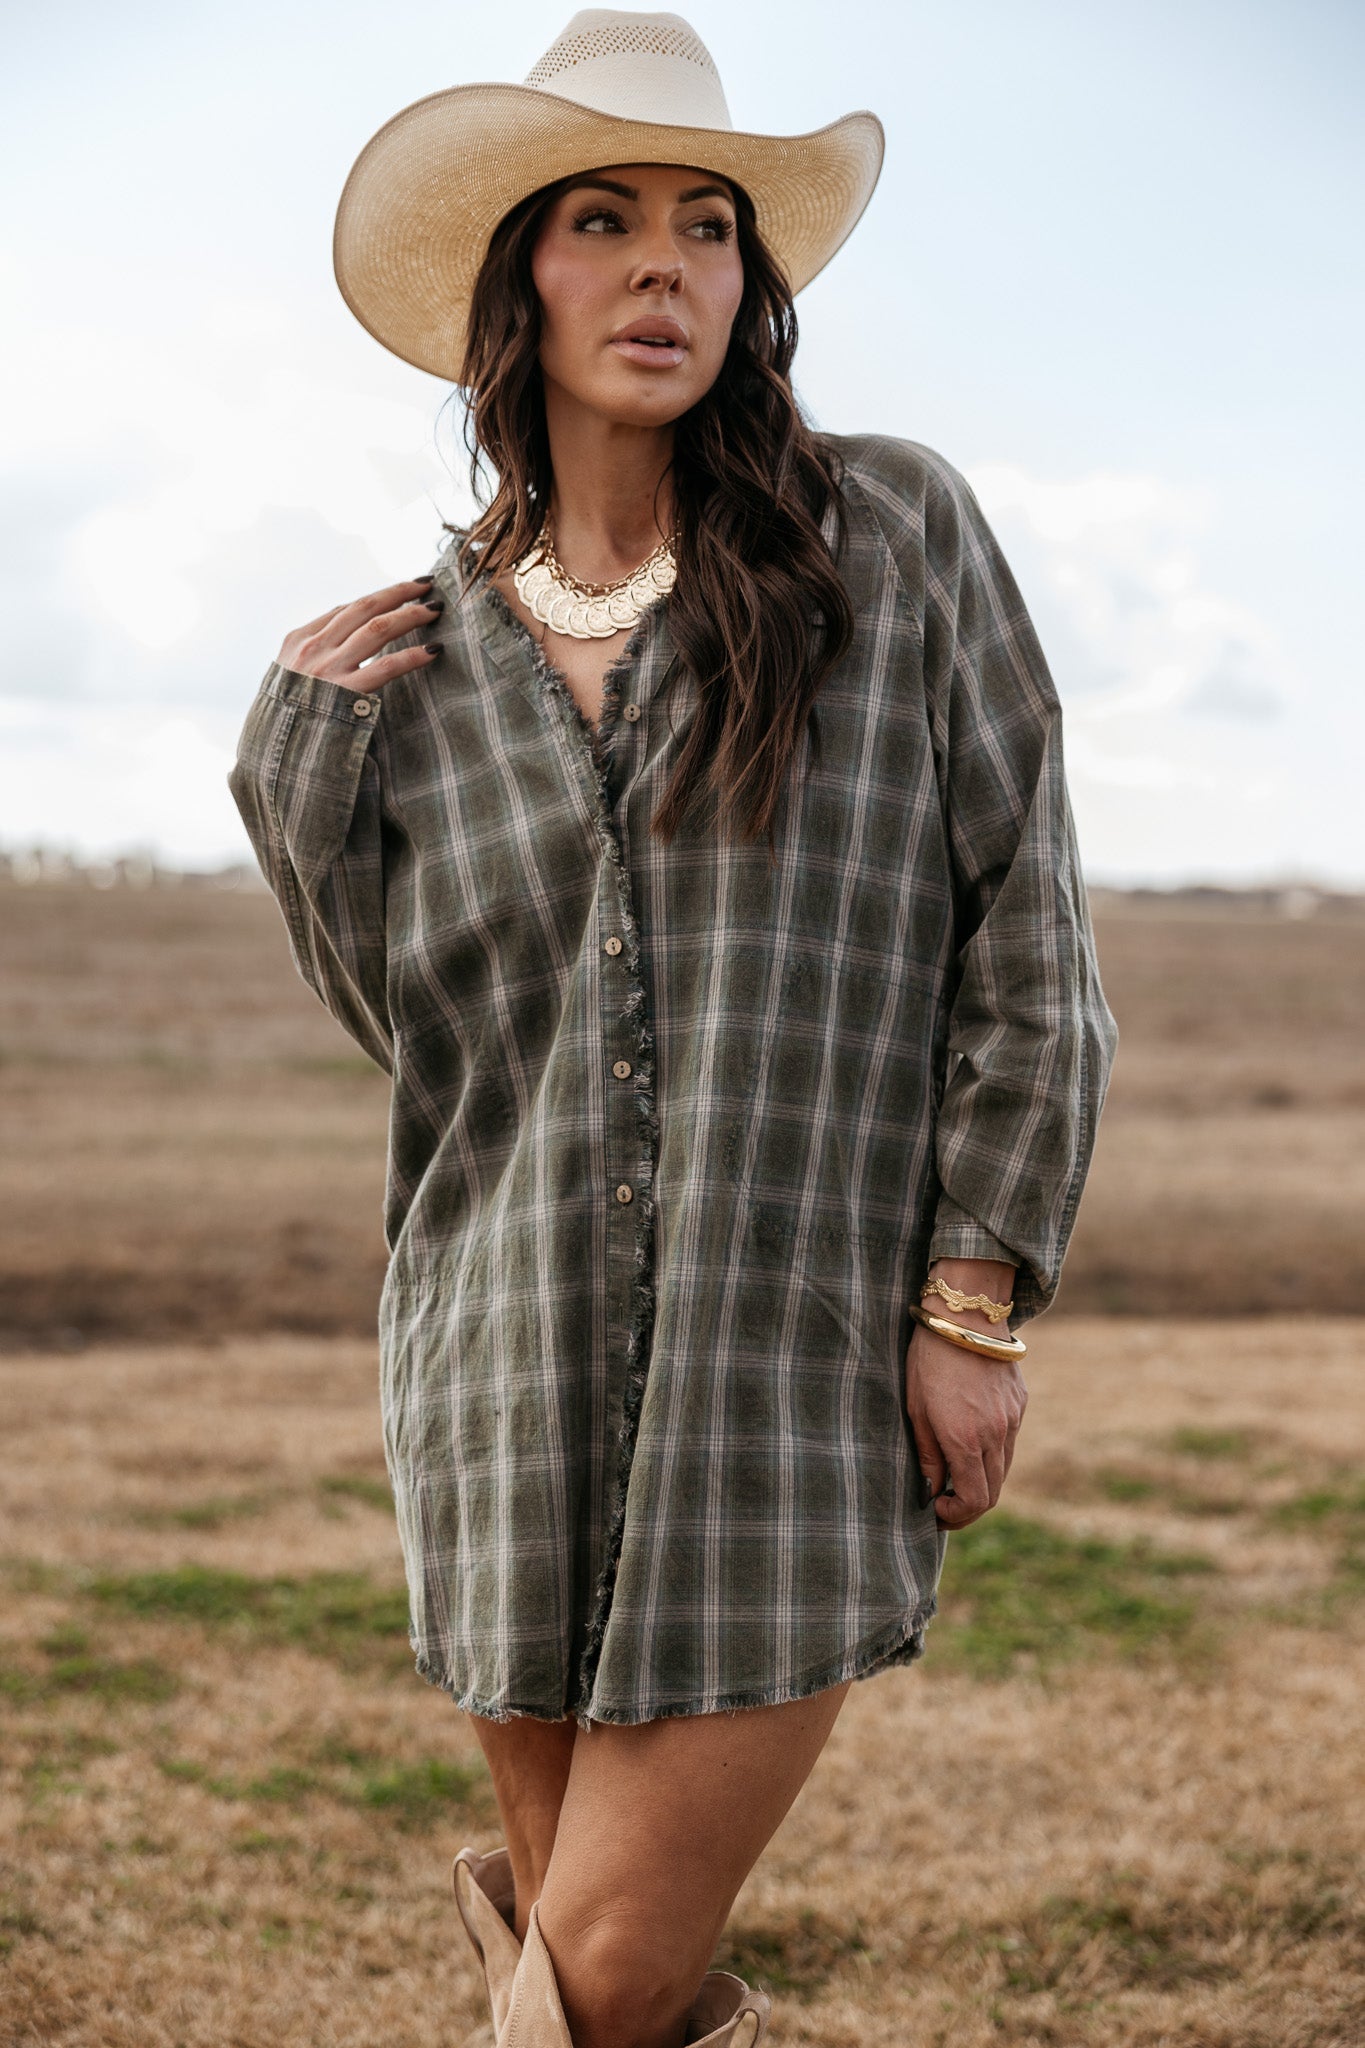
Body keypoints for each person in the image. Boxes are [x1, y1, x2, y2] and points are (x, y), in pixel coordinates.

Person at [228, 11, 1118, 2046]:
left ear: (751, 280)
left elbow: (1024, 934)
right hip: (496, 1371)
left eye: (708, 226)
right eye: (604, 221)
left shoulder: (883, 539)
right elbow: (430, 1047)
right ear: (510, 278)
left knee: (606, 1964)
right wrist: (297, 768)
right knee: (577, 1959)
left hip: (778, 1366)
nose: (663, 268)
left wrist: (970, 1299)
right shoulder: (422, 663)